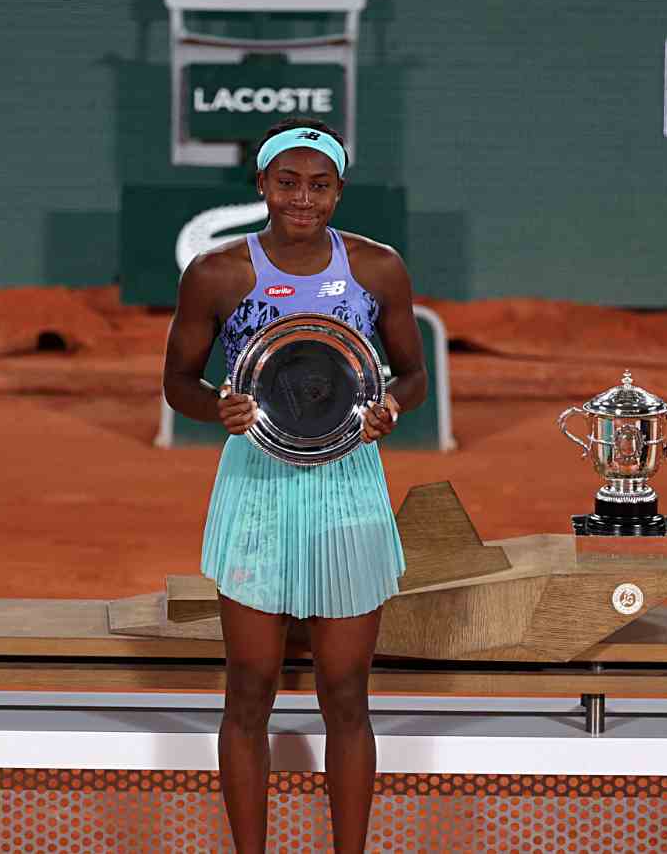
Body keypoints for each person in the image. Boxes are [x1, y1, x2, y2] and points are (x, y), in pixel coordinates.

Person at [162, 118, 426, 854]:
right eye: (287, 182)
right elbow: (178, 382)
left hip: (349, 488)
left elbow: (412, 373)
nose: (302, 199)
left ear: (339, 191)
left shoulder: (378, 269)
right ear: (262, 187)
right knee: (248, 690)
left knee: (346, 694)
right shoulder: (216, 274)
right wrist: (217, 406)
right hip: (255, 489)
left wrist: (392, 407)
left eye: (318, 184)